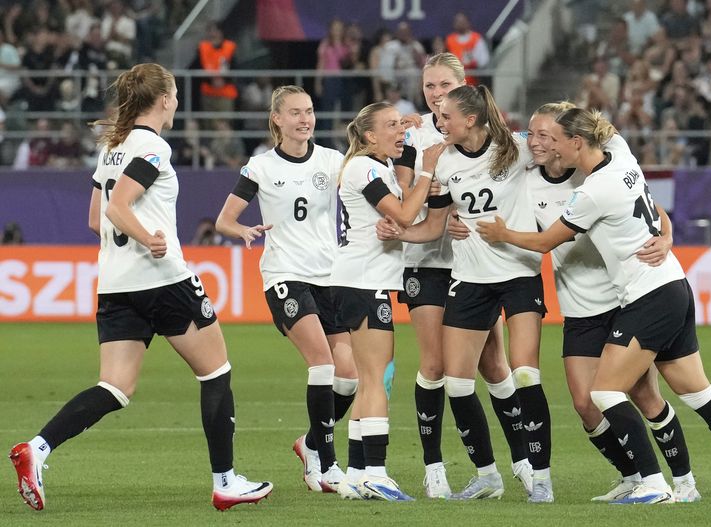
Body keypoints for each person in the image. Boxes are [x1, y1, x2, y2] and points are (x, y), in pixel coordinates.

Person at [476, 107, 711, 504]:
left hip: (646, 296)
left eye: (558, 140)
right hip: (673, 284)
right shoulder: (620, 152)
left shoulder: (591, 192)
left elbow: (546, 242)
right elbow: (645, 198)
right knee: (697, 391)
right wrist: (666, 234)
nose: (551, 148)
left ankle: (653, 483)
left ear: (576, 142)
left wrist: (502, 233)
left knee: (605, 392)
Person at [8, 63, 272, 512]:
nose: (176, 100)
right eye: (173, 93)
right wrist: (148, 237)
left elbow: (94, 218)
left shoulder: (112, 146)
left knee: (114, 387)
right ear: (165, 98)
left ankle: (38, 448)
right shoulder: (153, 147)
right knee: (216, 372)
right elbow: (116, 208)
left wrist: (128, 236)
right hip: (163, 280)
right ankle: (226, 481)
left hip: (115, 283)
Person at [449, 101, 701, 502]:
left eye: (545, 135)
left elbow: (646, 205)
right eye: (531, 133)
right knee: (586, 404)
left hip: (623, 300)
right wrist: (451, 215)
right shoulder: (524, 176)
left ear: (569, 139)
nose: (536, 142)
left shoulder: (596, 167)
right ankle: (633, 476)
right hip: (579, 307)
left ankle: (682, 483)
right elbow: (476, 181)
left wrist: (667, 237)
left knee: (645, 396)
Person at [379, 84, 543, 501]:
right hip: (469, 278)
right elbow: (433, 227)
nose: (439, 120)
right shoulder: (443, 162)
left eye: (446, 114)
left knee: (517, 371)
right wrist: (400, 233)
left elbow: (566, 158)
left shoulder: (516, 148)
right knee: (455, 380)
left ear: (470, 118)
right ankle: (488, 474)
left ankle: (535, 471)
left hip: (519, 272)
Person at [215, 85, 358, 494]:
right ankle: (328, 467)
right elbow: (226, 218)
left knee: (348, 378)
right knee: (323, 364)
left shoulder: (333, 161)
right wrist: (243, 229)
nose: (305, 119)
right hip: (284, 275)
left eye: (309, 111)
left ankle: (311, 444)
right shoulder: (259, 167)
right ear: (277, 119)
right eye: (295, 113)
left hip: (329, 277)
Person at [329, 101, 436, 501]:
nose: (400, 131)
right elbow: (405, 215)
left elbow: (401, 211)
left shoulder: (377, 167)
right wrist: (427, 169)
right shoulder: (365, 167)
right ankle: (376, 470)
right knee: (376, 378)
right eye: (390, 125)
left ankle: (356, 474)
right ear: (369, 135)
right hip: (364, 282)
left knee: (367, 378)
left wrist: (418, 175)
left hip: (357, 280)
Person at [196, 21, 238, 116]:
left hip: (226, 93)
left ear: (221, 32)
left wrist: (224, 81)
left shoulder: (230, 47)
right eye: (210, 31)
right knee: (208, 126)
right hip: (208, 92)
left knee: (224, 125)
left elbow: (235, 69)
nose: (212, 34)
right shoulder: (202, 48)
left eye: (215, 31)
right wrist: (211, 81)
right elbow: (198, 69)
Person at [445, 12, 490, 85]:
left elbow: (484, 61)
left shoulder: (476, 38)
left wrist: (472, 61)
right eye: (457, 22)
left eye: (462, 21)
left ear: (468, 22)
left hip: (473, 83)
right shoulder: (449, 40)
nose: (460, 24)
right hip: (455, 83)